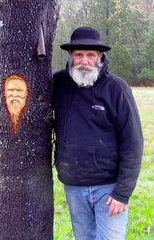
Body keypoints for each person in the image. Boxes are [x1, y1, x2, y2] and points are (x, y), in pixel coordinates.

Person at [53, 26, 143, 240]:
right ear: (70, 55)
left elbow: (133, 143)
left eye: (90, 55)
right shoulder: (58, 84)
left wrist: (122, 192)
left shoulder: (117, 89)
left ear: (100, 56)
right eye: (79, 55)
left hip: (109, 188)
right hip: (74, 186)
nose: (84, 61)